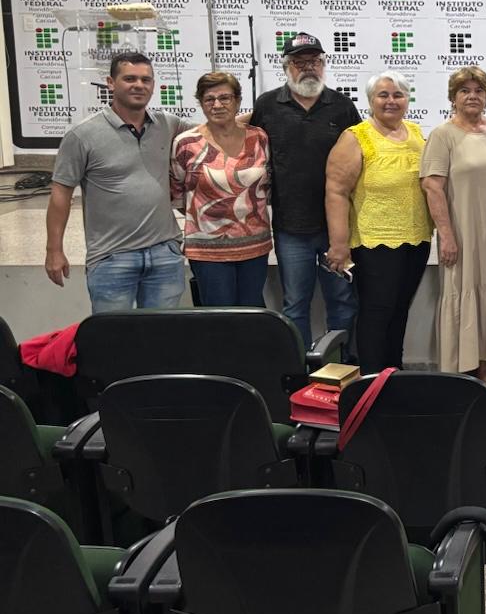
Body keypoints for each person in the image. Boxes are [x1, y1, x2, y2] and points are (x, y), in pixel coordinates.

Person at [45, 50, 187, 311]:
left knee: (163, 332)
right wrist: (54, 250)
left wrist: (258, 114)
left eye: (145, 80)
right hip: (112, 258)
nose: (139, 85)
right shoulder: (82, 135)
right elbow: (61, 194)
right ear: (111, 83)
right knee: (113, 334)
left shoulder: (168, 125)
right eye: (129, 78)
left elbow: (214, 130)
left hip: (164, 255)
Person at [248, 33, 360, 350]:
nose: (308, 67)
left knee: (342, 300)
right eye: (300, 62)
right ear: (286, 67)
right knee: (295, 304)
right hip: (290, 228)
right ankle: (299, 369)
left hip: (336, 228)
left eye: (314, 61)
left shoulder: (341, 106)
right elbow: (248, 143)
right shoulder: (267, 105)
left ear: (323, 64)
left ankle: (340, 367)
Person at [324, 71, 432, 373]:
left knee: (400, 309)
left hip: (417, 238)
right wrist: (339, 244)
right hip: (375, 242)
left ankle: (392, 373)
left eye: (398, 95)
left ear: (407, 99)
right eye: (383, 95)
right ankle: (371, 380)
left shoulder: (415, 133)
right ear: (371, 100)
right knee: (377, 311)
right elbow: (336, 191)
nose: (391, 101)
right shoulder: (355, 137)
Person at [421, 67, 486, 393]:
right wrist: (446, 235)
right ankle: (466, 370)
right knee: (464, 291)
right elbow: (433, 187)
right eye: (464, 90)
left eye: (479, 90)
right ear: (453, 97)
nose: (472, 96)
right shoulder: (442, 135)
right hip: (462, 232)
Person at [171, 71, 271, 306]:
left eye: (225, 98)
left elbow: (267, 187)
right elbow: (177, 193)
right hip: (207, 250)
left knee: (252, 315)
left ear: (237, 101)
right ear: (201, 103)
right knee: (219, 318)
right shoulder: (186, 143)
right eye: (209, 99)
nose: (217, 105)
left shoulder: (259, 138)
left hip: (255, 246)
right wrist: (209, 217)